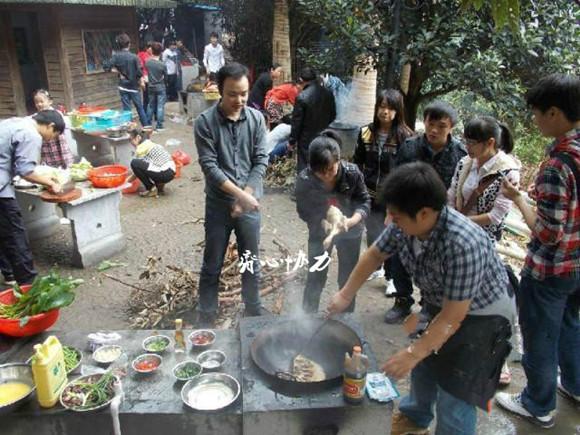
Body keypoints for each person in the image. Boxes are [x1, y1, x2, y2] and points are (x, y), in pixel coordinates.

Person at [327, 162, 515, 435]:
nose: (391, 222)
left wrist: (412, 353)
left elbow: (453, 317)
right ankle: (414, 419)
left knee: (455, 390)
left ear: (425, 213)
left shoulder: (463, 243)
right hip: (441, 302)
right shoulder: (405, 223)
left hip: (483, 317)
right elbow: (375, 255)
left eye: (396, 216)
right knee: (425, 366)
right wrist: (345, 295)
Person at [495, 73, 580, 428]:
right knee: (570, 325)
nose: (534, 119)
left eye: (536, 112)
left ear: (555, 113)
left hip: (549, 269)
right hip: (576, 266)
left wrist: (517, 199)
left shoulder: (557, 166)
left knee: (540, 336)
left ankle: (538, 402)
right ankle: (575, 385)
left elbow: (547, 232)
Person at [447, 115, 521, 386]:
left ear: (490, 142)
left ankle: (497, 360)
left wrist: (460, 223)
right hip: (456, 238)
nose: (467, 146)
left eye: (472, 142)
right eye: (465, 140)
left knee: (485, 303)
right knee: (457, 296)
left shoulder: (508, 172)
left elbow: (496, 216)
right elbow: (452, 193)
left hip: (483, 243)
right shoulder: (465, 162)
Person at [194, 62, 269, 326]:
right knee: (212, 263)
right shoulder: (204, 123)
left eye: (244, 93)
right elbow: (210, 167)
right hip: (218, 205)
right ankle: (206, 314)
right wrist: (240, 196)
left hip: (248, 204)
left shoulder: (257, 119)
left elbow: (261, 160)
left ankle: (253, 310)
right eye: (232, 94)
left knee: (250, 261)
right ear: (219, 91)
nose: (239, 100)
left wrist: (246, 197)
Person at [384, 100, 467, 324]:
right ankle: (402, 300)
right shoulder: (410, 146)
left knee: (435, 266)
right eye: (431, 123)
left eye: (441, 125)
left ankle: (429, 308)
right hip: (407, 215)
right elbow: (395, 179)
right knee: (401, 257)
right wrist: (390, 213)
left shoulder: (460, 155)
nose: (434, 130)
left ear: (451, 128)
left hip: (439, 222)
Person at [296, 130, 370, 313]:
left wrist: (350, 221)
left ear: (339, 160)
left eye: (331, 169)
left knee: (347, 278)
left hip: (351, 231)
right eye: (321, 172)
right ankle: (308, 318)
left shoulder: (352, 173)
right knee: (316, 275)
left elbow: (364, 201)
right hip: (320, 233)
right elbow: (303, 209)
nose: (327, 175)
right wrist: (322, 221)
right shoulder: (305, 179)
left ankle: (346, 318)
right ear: (312, 168)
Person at [353, 89, 413, 286]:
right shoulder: (365, 132)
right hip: (369, 192)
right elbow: (358, 163)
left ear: (398, 112)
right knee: (372, 231)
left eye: (390, 108)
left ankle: (391, 276)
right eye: (382, 106)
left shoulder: (406, 137)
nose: (385, 111)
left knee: (393, 234)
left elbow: (406, 170)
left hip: (393, 197)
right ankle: (376, 267)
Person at [0, 110, 65, 286]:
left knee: (3, 232)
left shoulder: (14, 121)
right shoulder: (31, 134)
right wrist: (51, 183)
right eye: (54, 135)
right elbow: (26, 171)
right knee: (15, 235)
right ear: (50, 126)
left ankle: (10, 274)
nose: (50, 139)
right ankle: (29, 284)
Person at [289, 67, 336, 173]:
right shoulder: (328, 93)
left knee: (305, 167)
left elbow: (296, 123)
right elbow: (333, 115)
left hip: (306, 140)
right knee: (320, 165)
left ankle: (305, 187)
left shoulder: (301, 97)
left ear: (301, 80)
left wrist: (292, 141)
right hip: (324, 136)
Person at [104, 33, 149, 127]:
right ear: (129, 44)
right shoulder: (134, 57)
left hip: (123, 87)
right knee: (140, 108)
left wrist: (118, 72)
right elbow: (139, 72)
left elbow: (106, 67)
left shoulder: (116, 56)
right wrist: (142, 82)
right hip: (133, 87)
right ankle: (146, 127)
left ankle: (130, 128)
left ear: (119, 45)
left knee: (127, 110)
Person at [32, 89, 74, 169]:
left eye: (41, 101)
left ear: (50, 101)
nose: (39, 104)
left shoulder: (57, 115)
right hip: (45, 149)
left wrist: (67, 160)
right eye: (36, 102)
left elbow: (62, 140)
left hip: (58, 147)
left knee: (63, 170)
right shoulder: (36, 117)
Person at [127, 128, 175, 198]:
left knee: (134, 163)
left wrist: (126, 182)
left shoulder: (141, 149)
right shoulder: (151, 144)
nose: (131, 143)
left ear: (138, 137)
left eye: (131, 140)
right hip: (171, 172)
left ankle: (151, 188)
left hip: (164, 173)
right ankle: (160, 188)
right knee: (152, 167)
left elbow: (138, 169)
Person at [145, 42, 167, 131]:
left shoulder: (148, 62)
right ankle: (159, 126)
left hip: (150, 86)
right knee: (160, 106)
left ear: (152, 50)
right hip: (160, 86)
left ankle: (148, 124)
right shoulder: (162, 65)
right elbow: (166, 76)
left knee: (150, 105)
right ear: (161, 52)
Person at [137, 41, 153, 110]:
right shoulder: (146, 55)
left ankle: (144, 111)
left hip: (140, 77)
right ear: (146, 48)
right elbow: (148, 66)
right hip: (146, 77)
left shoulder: (137, 55)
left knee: (144, 96)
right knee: (148, 97)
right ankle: (148, 113)